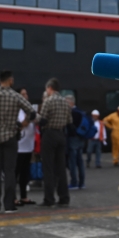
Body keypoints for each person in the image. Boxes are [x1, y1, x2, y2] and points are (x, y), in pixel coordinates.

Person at [0, 71, 37, 214]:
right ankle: (9, 204)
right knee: (10, 171)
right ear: (11, 81)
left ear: (0, 80)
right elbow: (31, 112)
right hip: (11, 136)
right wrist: (22, 124)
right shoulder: (16, 96)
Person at [38, 78, 72, 207]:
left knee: (48, 168)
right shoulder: (65, 103)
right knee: (61, 168)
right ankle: (64, 197)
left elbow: (43, 120)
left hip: (49, 134)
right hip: (61, 134)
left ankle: (49, 199)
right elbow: (70, 122)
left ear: (49, 88)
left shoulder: (48, 101)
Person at [15, 91, 37, 206]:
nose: (26, 96)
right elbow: (16, 125)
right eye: (23, 94)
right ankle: (13, 197)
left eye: (26, 94)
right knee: (15, 173)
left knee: (25, 173)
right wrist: (26, 121)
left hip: (28, 146)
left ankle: (24, 196)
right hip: (18, 146)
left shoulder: (29, 110)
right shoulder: (15, 109)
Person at [66, 95, 88, 190]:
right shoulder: (81, 112)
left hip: (72, 140)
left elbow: (70, 127)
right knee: (80, 162)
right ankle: (82, 183)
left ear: (71, 102)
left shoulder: (72, 113)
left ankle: (74, 182)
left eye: (66, 102)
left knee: (72, 162)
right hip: (81, 139)